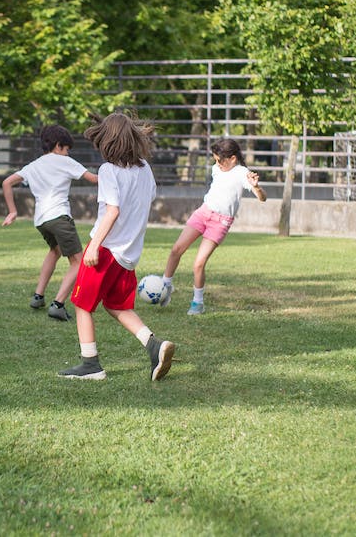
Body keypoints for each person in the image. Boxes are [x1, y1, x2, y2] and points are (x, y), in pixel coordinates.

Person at [58, 111, 175, 381]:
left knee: (82, 305)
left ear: (108, 142)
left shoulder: (109, 171)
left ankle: (91, 365)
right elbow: (149, 197)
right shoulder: (145, 168)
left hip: (106, 250)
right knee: (117, 306)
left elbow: (112, 211)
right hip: (129, 254)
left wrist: (93, 246)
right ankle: (155, 346)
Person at [1, 125, 98, 321]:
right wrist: (117, 172)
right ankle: (58, 304)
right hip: (59, 216)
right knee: (79, 263)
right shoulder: (65, 162)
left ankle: (38, 296)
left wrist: (13, 211)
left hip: (41, 220)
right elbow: (94, 179)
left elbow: (7, 182)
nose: (67, 152)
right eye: (67, 148)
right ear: (58, 146)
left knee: (55, 251)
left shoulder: (34, 165)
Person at [160, 138, 266, 315]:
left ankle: (198, 303)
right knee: (176, 249)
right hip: (204, 212)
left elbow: (262, 198)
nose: (216, 164)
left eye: (219, 160)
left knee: (198, 264)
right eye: (215, 159)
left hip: (221, 221)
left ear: (232, 159)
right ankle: (165, 286)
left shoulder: (242, 173)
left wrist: (257, 187)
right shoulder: (216, 168)